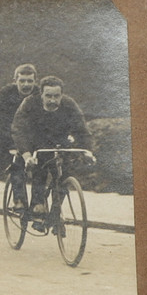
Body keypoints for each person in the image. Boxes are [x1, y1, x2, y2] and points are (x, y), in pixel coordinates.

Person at [10, 75, 94, 220]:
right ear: (41, 94)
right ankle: (36, 206)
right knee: (38, 169)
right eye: (48, 96)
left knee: (64, 175)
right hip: (34, 143)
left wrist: (87, 151)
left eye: (57, 96)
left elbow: (82, 130)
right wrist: (27, 155)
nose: (53, 100)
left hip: (58, 143)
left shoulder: (69, 105)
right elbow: (19, 129)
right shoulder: (30, 103)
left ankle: (55, 213)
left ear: (62, 95)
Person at [0, 64, 38, 206]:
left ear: (35, 81)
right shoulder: (5, 94)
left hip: (30, 137)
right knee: (17, 164)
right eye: (22, 81)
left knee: (42, 164)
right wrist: (14, 144)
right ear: (15, 81)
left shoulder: (38, 94)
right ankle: (19, 200)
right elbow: (1, 121)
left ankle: (38, 205)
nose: (26, 84)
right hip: (7, 137)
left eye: (30, 81)